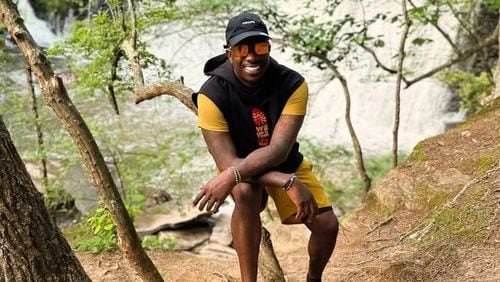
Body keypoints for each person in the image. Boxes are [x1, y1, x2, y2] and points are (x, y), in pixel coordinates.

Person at [192, 12, 339, 282]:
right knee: (246, 193)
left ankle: (313, 279)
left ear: (268, 48)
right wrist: (286, 182)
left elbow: (279, 150)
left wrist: (287, 176)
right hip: (237, 164)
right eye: (241, 48)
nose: (251, 56)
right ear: (229, 53)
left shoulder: (293, 84)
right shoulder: (211, 95)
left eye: (259, 46)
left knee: (327, 225)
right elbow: (227, 163)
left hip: (283, 161)